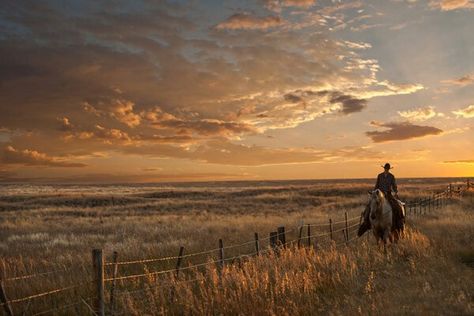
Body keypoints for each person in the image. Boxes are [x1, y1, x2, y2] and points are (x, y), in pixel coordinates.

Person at [358, 163, 404, 237]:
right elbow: (377, 185)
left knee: (397, 206)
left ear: (389, 169)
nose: (386, 169)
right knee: (369, 206)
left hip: (388, 195)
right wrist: (374, 193)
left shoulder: (391, 177)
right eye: (385, 168)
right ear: (384, 168)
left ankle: (400, 223)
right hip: (378, 195)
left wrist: (394, 192)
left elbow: (394, 186)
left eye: (387, 169)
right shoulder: (380, 176)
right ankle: (366, 223)